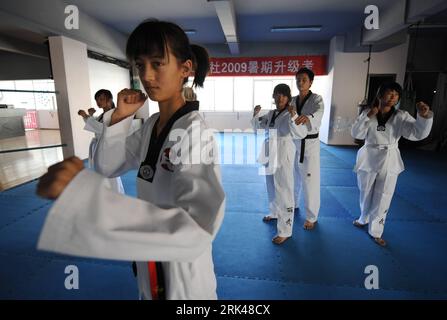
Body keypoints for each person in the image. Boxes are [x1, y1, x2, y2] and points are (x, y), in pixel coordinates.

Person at [36, 19, 225, 300]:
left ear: (185, 69)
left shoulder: (194, 132)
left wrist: (86, 199)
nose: (146, 75)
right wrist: (121, 116)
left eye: (158, 63)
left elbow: (199, 228)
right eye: (140, 65)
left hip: (184, 276)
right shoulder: (151, 125)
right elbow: (107, 166)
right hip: (148, 258)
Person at [351, 82, 433, 246]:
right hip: (368, 155)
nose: (392, 97)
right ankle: (364, 217)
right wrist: (367, 117)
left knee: (384, 195)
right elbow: (356, 133)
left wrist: (423, 117)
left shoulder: (401, 115)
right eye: (389, 93)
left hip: (389, 157)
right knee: (365, 191)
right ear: (380, 95)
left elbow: (416, 133)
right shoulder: (368, 112)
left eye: (396, 95)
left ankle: (376, 230)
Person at [251, 84, 307, 244]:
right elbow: (258, 128)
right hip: (269, 152)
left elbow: (301, 133)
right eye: (277, 94)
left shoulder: (292, 114)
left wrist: (295, 116)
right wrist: (255, 115)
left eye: (283, 95)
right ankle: (274, 212)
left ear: (288, 98)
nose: (280, 97)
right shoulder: (271, 113)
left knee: (284, 190)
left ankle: (285, 230)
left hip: (283, 153)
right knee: (271, 186)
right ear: (274, 96)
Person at [290, 67, 324, 230]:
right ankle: (293, 203)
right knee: (293, 176)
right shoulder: (292, 100)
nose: (300, 82)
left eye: (304, 79)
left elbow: (318, 114)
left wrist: (308, 117)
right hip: (293, 143)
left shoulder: (317, 99)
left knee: (310, 181)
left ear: (311, 82)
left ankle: (312, 216)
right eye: (298, 79)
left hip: (309, 145)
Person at [78, 89, 124, 194]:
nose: (99, 102)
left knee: (110, 174)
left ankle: (116, 196)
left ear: (109, 99)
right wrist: (89, 116)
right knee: (102, 173)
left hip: (109, 148)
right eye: (97, 100)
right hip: (101, 147)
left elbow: (103, 129)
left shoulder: (114, 114)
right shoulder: (102, 115)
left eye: (101, 99)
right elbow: (95, 126)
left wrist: (86, 116)